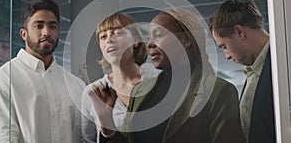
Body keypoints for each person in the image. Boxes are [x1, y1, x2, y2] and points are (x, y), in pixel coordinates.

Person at [91, 9, 245, 143]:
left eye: (158, 35)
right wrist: (106, 122)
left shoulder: (218, 92)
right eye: (149, 37)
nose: (150, 44)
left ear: (186, 40)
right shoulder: (140, 91)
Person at [0, 0, 86, 143]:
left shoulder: (76, 85)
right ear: (24, 34)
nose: (46, 32)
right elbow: (3, 138)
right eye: (39, 26)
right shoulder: (3, 80)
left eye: (52, 26)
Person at [81, 12, 159, 143]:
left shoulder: (158, 81)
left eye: (118, 33)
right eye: (103, 36)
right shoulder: (93, 92)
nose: (109, 40)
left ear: (135, 40)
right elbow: (89, 140)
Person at [209, 0, 275, 143]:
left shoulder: (282, 66)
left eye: (224, 46)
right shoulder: (254, 73)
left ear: (239, 32)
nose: (226, 56)